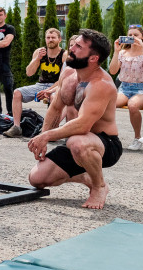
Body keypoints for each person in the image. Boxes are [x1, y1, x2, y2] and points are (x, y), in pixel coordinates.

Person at [27, 29, 122, 210]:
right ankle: (87, 177)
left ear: (93, 58)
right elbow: (55, 108)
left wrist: (47, 137)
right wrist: (43, 137)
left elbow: (83, 125)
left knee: (77, 141)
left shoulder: (101, 85)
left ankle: (99, 186)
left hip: (105, 144)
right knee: (37, 179)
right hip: (77, 143)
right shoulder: (69, 74)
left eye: (79, 47)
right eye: (74, 44)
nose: (72, 49)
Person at [6, 28, 65, 137]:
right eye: (48, 37)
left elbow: (63, 79)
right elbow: (29, 73)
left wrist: (48, 90)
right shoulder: (39, 52)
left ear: (59, 39)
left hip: (56, 86)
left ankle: (51, 129)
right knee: (17, 93)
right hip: (41, 85)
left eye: (53, 38)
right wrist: (37, 59)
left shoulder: (64, 54)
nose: (50, 40)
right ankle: (16, 127)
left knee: (53, 97)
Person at [108, 25, 143, 150]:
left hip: (142, 90)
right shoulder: (123, 53)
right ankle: (107, 134)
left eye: (136, 35)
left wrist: (142, 47)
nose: (132, 37)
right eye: (130, 35)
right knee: (108, 103)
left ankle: (137, 138)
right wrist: (117, 51)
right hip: (124, 88)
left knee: (133, 105)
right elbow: (113, 71)